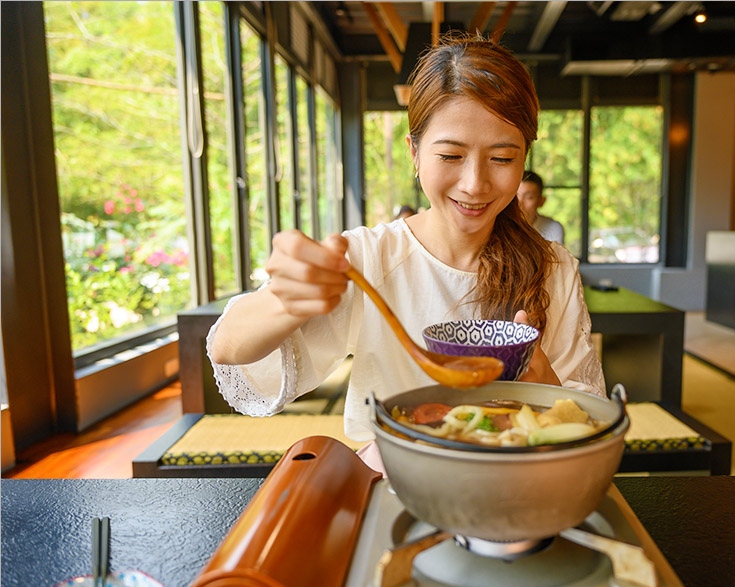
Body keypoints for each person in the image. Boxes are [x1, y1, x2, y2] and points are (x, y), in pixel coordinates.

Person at [206, 33, 605, 471]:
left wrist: (540, 383)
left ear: (524, 157)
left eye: (502, 159)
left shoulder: (553, 268)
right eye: (451, 156)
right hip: (390, 480)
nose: (475, 184)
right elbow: (229, 349)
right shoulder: (368, 258)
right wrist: (286, 297)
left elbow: (588, 419)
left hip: (515, 485)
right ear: (415, 153)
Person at [517, 170, 565, 245]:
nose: (519, 203)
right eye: (515, 196)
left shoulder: (552, 228)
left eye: (529, 197)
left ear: (541, 201)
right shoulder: (498, 226)